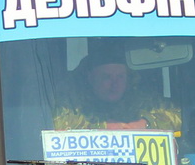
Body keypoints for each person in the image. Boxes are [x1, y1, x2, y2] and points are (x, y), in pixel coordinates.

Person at [52, 46, 181, 133]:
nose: (115, 84)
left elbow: (177, 115)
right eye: (106, 77)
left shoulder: (139, 96)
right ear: (90, 77)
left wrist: (145, 123)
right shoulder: (70, 98)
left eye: (120, 76)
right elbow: (54, 122)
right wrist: (103, 127)